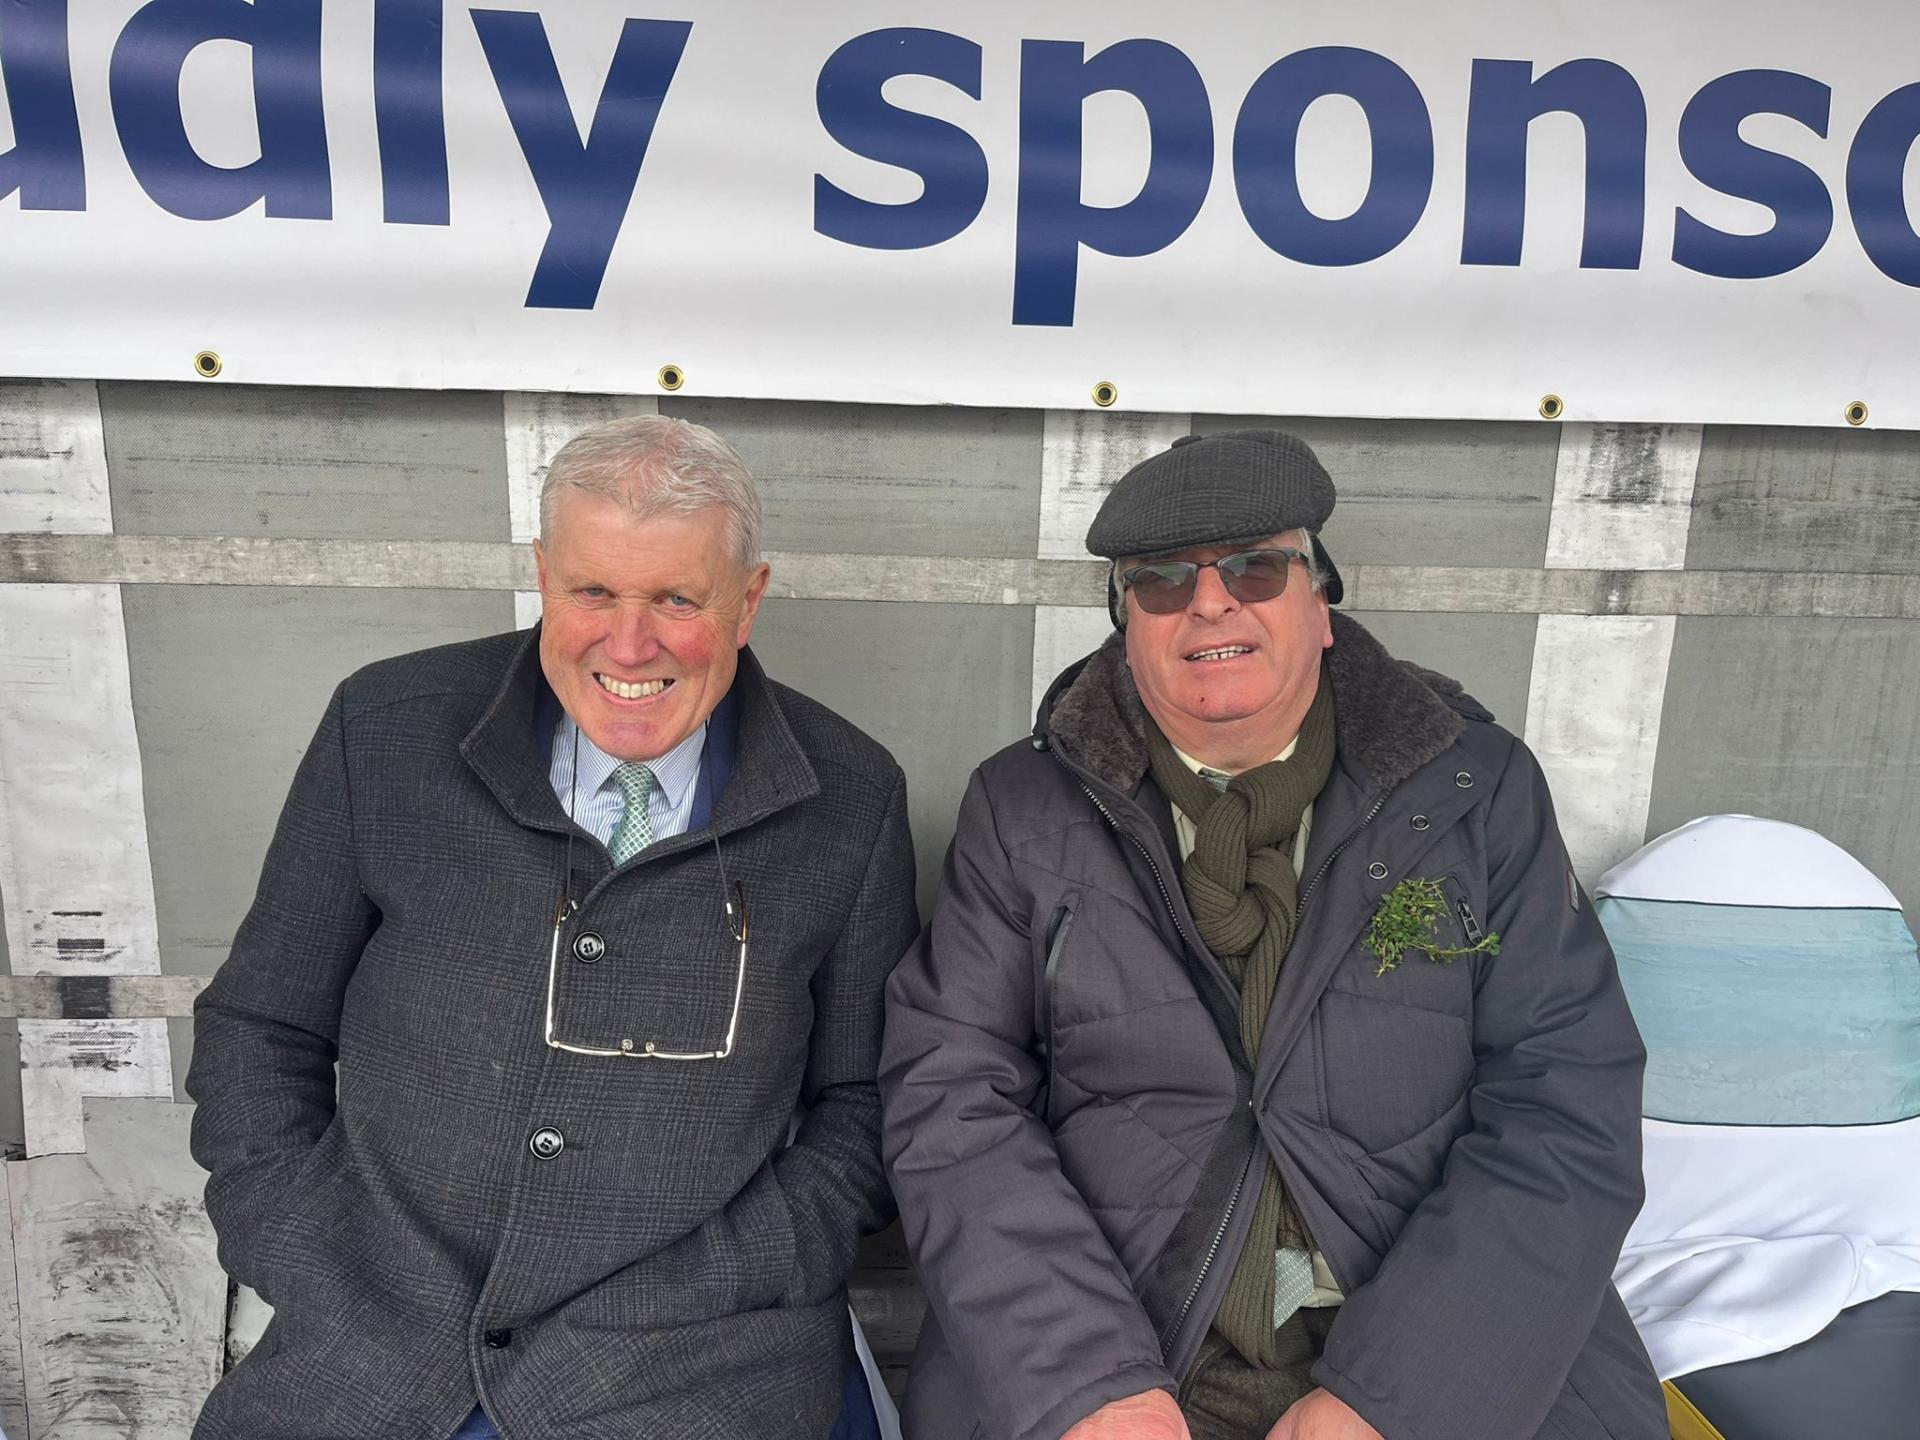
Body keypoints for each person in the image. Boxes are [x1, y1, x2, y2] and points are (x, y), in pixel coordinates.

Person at [880, 430, 1666, 1440]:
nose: (1210, 603)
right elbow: (950, 1097)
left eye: (1255, 568)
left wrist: (1398, 1399)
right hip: (1130, 1346)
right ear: (1126, 625)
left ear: (1320, 602)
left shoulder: (1475, 788)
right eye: (1162, 581)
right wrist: (1087, 1386)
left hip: (1434, 1343)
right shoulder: (1022, 809)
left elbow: (1566, 1095)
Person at [188, 415, 919, 1438]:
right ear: (542, 575)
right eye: (592, 592)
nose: (630, 645)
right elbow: (260, 1026)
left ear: (748, 600)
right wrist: (301, 1245)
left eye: (676, 599)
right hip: (373, 1344)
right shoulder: (387, 728)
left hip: (696, 1364)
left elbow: (867, 1107)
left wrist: (740, 1267)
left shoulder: (848, 798)